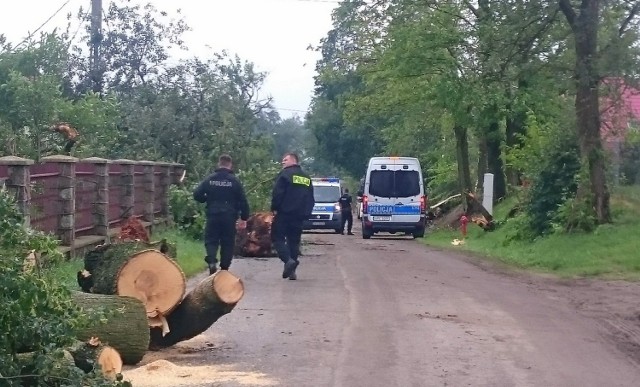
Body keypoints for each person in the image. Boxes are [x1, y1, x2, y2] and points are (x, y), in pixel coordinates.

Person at [193, 154, 250, 275]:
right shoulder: (234, 181)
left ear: (219, 163)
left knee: (211, 240)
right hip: (229, 216)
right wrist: (244, 218)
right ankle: (224, 268)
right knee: (228, 242)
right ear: (230, 165)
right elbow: (243, 200)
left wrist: (205, 199)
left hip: (213, 215)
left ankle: (212, 261)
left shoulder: (210, 179)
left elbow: (197, 194)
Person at [270, 152, 314, 280]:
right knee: (294, 242)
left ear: (293, 160)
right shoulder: (306, 177)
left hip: (284, 213)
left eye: (285, 160)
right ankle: (292, 271)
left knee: (277, 238)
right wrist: (307, 213)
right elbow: (310, 198)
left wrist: (274, 208)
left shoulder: (285, 175)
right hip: (299, 216)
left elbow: (277, 194)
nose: (282, 162)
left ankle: (288, 261)